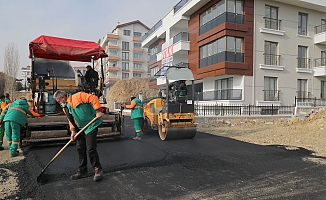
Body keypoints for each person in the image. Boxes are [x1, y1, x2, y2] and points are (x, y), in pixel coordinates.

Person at [53, 90, 104, 181]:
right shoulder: (65, 108)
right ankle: (82, 171)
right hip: (80, 128)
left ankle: (97, 169)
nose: (59, 103)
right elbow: (70, 120)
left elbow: (93, 98)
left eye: (58, 101)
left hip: (91, 125)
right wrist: (73, 131)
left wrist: (97, 111)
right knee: (80, 148)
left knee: (91, 148)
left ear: (62, 98)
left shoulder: (78, 96)